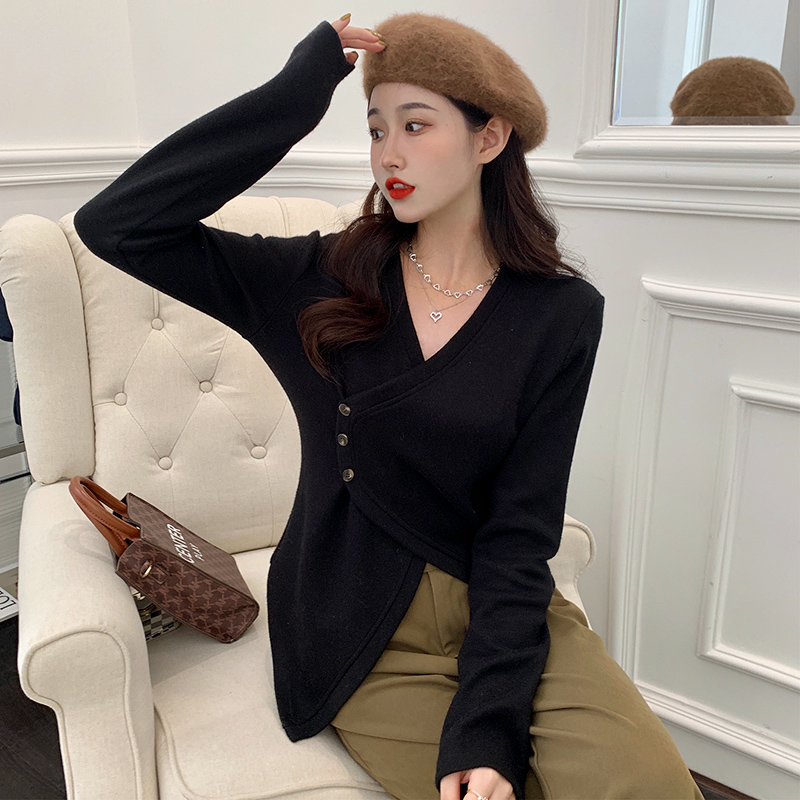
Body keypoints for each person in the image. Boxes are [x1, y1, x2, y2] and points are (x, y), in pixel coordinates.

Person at [73, 12, 704, 800]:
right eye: (376, 129)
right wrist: (299, 91)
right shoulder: (317, 279)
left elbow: (520, 527)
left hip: (499, 612)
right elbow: (118, 225)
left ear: (488, 138)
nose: (389, 154)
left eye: (415, 124)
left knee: (652, 786)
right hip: (355, 623)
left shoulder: (561, 314)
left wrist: (489, 721)